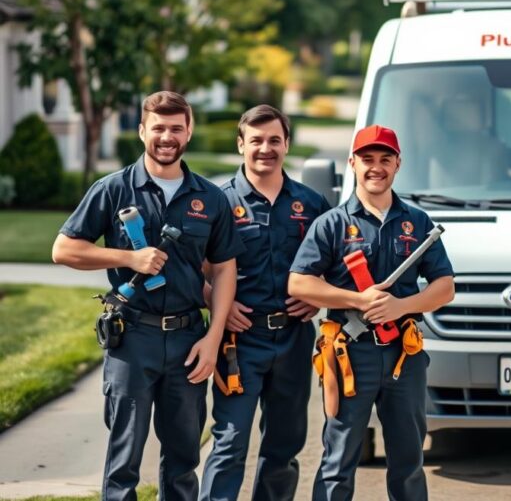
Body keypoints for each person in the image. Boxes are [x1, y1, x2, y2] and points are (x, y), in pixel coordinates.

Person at [52, 91, 244, 501]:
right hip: (132, 340)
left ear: (188, 132)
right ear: (142, 131)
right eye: (158, 128)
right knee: (124, 461)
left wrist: (213, 339)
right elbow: (64, 249)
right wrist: (129, 257)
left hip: (188, 339)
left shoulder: (210, 198)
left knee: (183, 461)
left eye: (176, 128)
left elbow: (225, 269)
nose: (167, 137)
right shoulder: (114, 189)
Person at [288, 124, 455, 501]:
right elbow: (299, 283)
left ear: (398, 164)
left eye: (385, 159)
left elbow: (445, 287)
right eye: (367, 159)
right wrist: (359, 300)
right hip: (349, 355)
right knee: (338, 460)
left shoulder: (418, 223)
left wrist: (401, 305)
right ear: (352, 163)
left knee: (409, 461)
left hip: (405, 357)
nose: (375, 167)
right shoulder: (331, 224)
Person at [200, 105, 332, 501]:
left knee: (284, 446)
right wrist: (215, 302)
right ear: (241, 144)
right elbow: (190, 267)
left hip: (293, 339)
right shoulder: (216, 201)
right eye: (255, 140)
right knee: (230, 441)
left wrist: (318, 293)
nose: (265, 148)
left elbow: (336, 261)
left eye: (274, 140)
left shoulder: (311, 204)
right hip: (240, 342)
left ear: (287, 144)